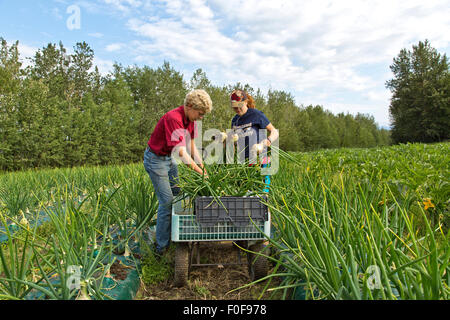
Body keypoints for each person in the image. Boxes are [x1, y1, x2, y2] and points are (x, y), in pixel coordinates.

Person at [143, 89, 212, 255]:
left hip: (169, 158)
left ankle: (175, 235)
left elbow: (192, 146)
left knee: (178, 194)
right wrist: (199, 172)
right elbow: (181, 152)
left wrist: (201, 166)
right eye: (200, 113)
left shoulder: (191, 120)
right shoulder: (173, 118)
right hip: (156, 160)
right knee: (166, 202)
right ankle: (161, 248)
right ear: (189, 106)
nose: (201, 117)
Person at [229, 89, 279, 163]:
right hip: (244, 163)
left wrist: (268, 141)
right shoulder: (234, 120)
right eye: (235, 107)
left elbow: (274, 132)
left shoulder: (256, 114)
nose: (237, 109)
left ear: (245, 102)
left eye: (239, 105)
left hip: (261, 160)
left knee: (264, 173)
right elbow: (235, 143)